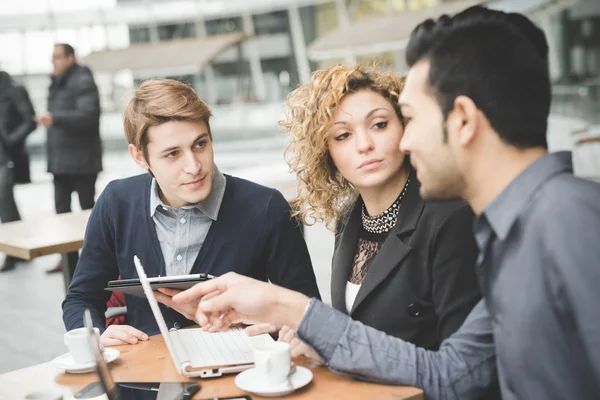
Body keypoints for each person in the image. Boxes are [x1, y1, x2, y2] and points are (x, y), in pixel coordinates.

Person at [173, 6, 600, 400]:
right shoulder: (512, 229)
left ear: (464, 120)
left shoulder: (569, 220)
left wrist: (289, 308)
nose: (404, 141)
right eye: (342, 135)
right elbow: (453, 373)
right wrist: (295, 315)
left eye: (406, 119)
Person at [62, 79, 321, 347]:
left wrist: (284, 329)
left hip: (244, 379)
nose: (194, 166)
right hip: (147, 381)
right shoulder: (116, 203)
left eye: (200, 145)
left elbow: (309, 313)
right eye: (173, 154)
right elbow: (81, 297)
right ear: (140, 157)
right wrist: (95, 335)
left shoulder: (266, 207)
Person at [255, 65, 481, 358]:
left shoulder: (451, 218)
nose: (365, 145)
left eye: (379, 125)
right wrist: (305, 330)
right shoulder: (349, 218)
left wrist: (333, 345)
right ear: (328, 155)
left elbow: (462, 368)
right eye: (343, 135)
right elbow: (355, 326)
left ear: (404, 127)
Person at [34, 43, 103, 274]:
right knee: (62, 214)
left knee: (88, 214)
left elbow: (88, 116)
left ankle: (95, 262)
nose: (54, 62)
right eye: (52, 58)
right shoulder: (57, 82)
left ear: (71, 57)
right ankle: (67, 262)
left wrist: (55, 118)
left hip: (82, 162)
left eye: (58, 57)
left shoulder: (83, 80)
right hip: (61, 162)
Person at [0, 71, 36, 272]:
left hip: (7, 156)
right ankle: (17, 250)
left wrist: (12, 140)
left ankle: (14, 253)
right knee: (6, 204)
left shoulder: (13, 89)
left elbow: (29, 120)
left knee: (4, 201)